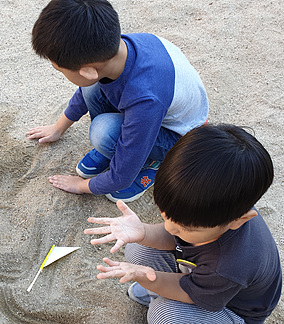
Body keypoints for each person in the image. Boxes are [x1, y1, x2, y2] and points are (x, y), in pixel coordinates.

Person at [84, 124, 282, 324]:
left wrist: (145, 277)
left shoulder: (230, 264)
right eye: (166, 215)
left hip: (232, 308)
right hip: (205, 277)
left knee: (165, 320)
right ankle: (163, 296)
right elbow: (173, 235)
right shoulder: (216, 210)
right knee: (139, 246)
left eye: (185, 227)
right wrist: (142, 231)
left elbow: (188, 291)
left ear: (239, 220)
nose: (169, 228)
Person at [26, 0, 208, 203]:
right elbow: (86, 88)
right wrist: (59, 128)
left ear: (87, 71)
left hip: (179, 136)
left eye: (59, 69)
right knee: (93, 88)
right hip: (155, 107)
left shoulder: (145, 98)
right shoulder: (118, 49)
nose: (59, 72)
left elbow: (121, 178)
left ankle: (154, 162)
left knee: (103, 131)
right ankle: (116, 149)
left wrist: (82, 186)